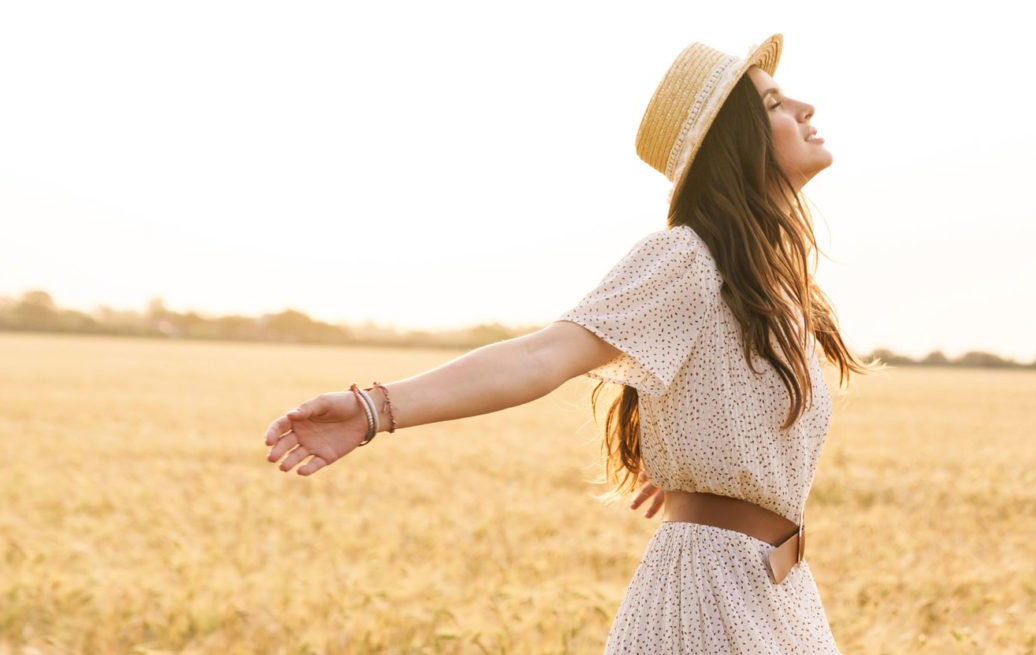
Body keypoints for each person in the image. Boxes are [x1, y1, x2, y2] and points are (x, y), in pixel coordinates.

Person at [257, 33, 879, 653]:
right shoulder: (687, 258)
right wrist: (374, 410)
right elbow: (542, 355)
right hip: (711, 596)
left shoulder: (775, 290)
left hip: (776, 589)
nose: (805, 108)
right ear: (733, 144)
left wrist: (697, 466)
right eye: (773, 104)